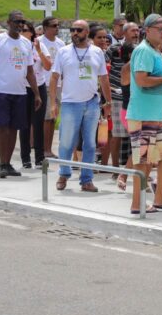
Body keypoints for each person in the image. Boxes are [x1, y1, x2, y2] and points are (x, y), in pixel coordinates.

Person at [126, 14, 162, 213]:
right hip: (143, 114)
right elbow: (142, 80)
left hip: (157, 114)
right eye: (160, 29)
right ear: (147, 30)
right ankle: (137, 203)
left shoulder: (156, 51)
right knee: (143, 161)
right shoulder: (144, 51)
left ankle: (159, 199)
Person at [48, 20, 111, 192]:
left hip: (92, 103)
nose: (75, 32)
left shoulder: (97, 52)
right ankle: (64, 173)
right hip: (70, 103)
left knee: (90, 144)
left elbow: (104, 78)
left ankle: (86, 179)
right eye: (72, 30)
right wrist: (54, 102)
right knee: (67, 142)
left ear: (87, 32)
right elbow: (54, 78)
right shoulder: (64, 52)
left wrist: (109, 102)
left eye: (79, 30)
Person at [0, 11, 42, 179]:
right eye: (17, 21)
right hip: (1, 90)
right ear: (9, 22)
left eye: (22, 21)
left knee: (14, 128)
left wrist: (37, 94)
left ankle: (8, 163)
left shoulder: (26, 43)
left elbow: (30, 71)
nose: (20, 24)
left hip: (20, 92)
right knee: (3, 128)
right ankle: (2, 164)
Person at [105, 22, 139, 170]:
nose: (136, 33)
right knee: (117, 134)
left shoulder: (142, 50)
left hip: (137, 99)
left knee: (137, 137)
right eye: (133, 30)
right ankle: (115, 168)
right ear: (124, 33)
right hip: (118, 97)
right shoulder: (113, 49)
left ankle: (135, 167)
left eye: (138, 30)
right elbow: (103, 68)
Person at [18, 21, 51, 169]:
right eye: (20, 30)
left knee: (38, 124)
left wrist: (39, 51)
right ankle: (25, 158)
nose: (22, 32)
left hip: (39, 86)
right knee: (24, 124)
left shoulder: (39, 45)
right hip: (22, 87)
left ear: (31, 32)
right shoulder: (17, 46)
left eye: (25, 30)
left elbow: (48, 66)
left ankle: (39, 157)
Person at [39, 17, 65, 159]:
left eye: (58, 25)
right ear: (45, 28)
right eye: (54, 25)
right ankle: (45, 149)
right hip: (46, 83)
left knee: (53, 118)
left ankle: (47, 148)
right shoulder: (40, 42)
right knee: (47, 118)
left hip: (59, 83)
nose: (57, 28)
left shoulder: (60, 43)